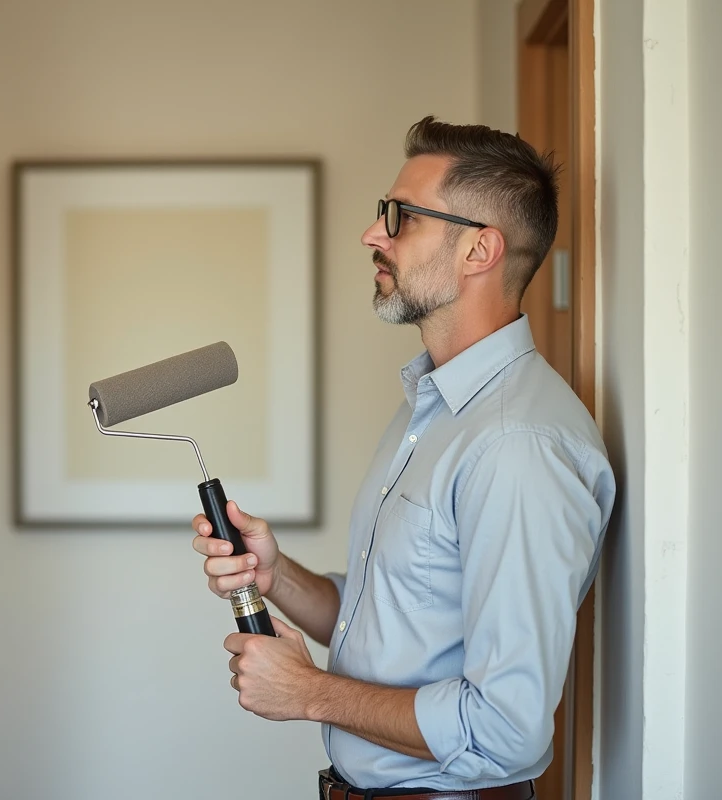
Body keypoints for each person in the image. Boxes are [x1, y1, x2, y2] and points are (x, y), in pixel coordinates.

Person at [191, 116, 616, 798]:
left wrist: (309, 691)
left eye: (402, 217)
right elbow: (390, 626)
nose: (373, 234)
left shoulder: (517, 447)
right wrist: (277, 576)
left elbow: (506, 729)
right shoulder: (433, 407)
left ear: (480, 249)